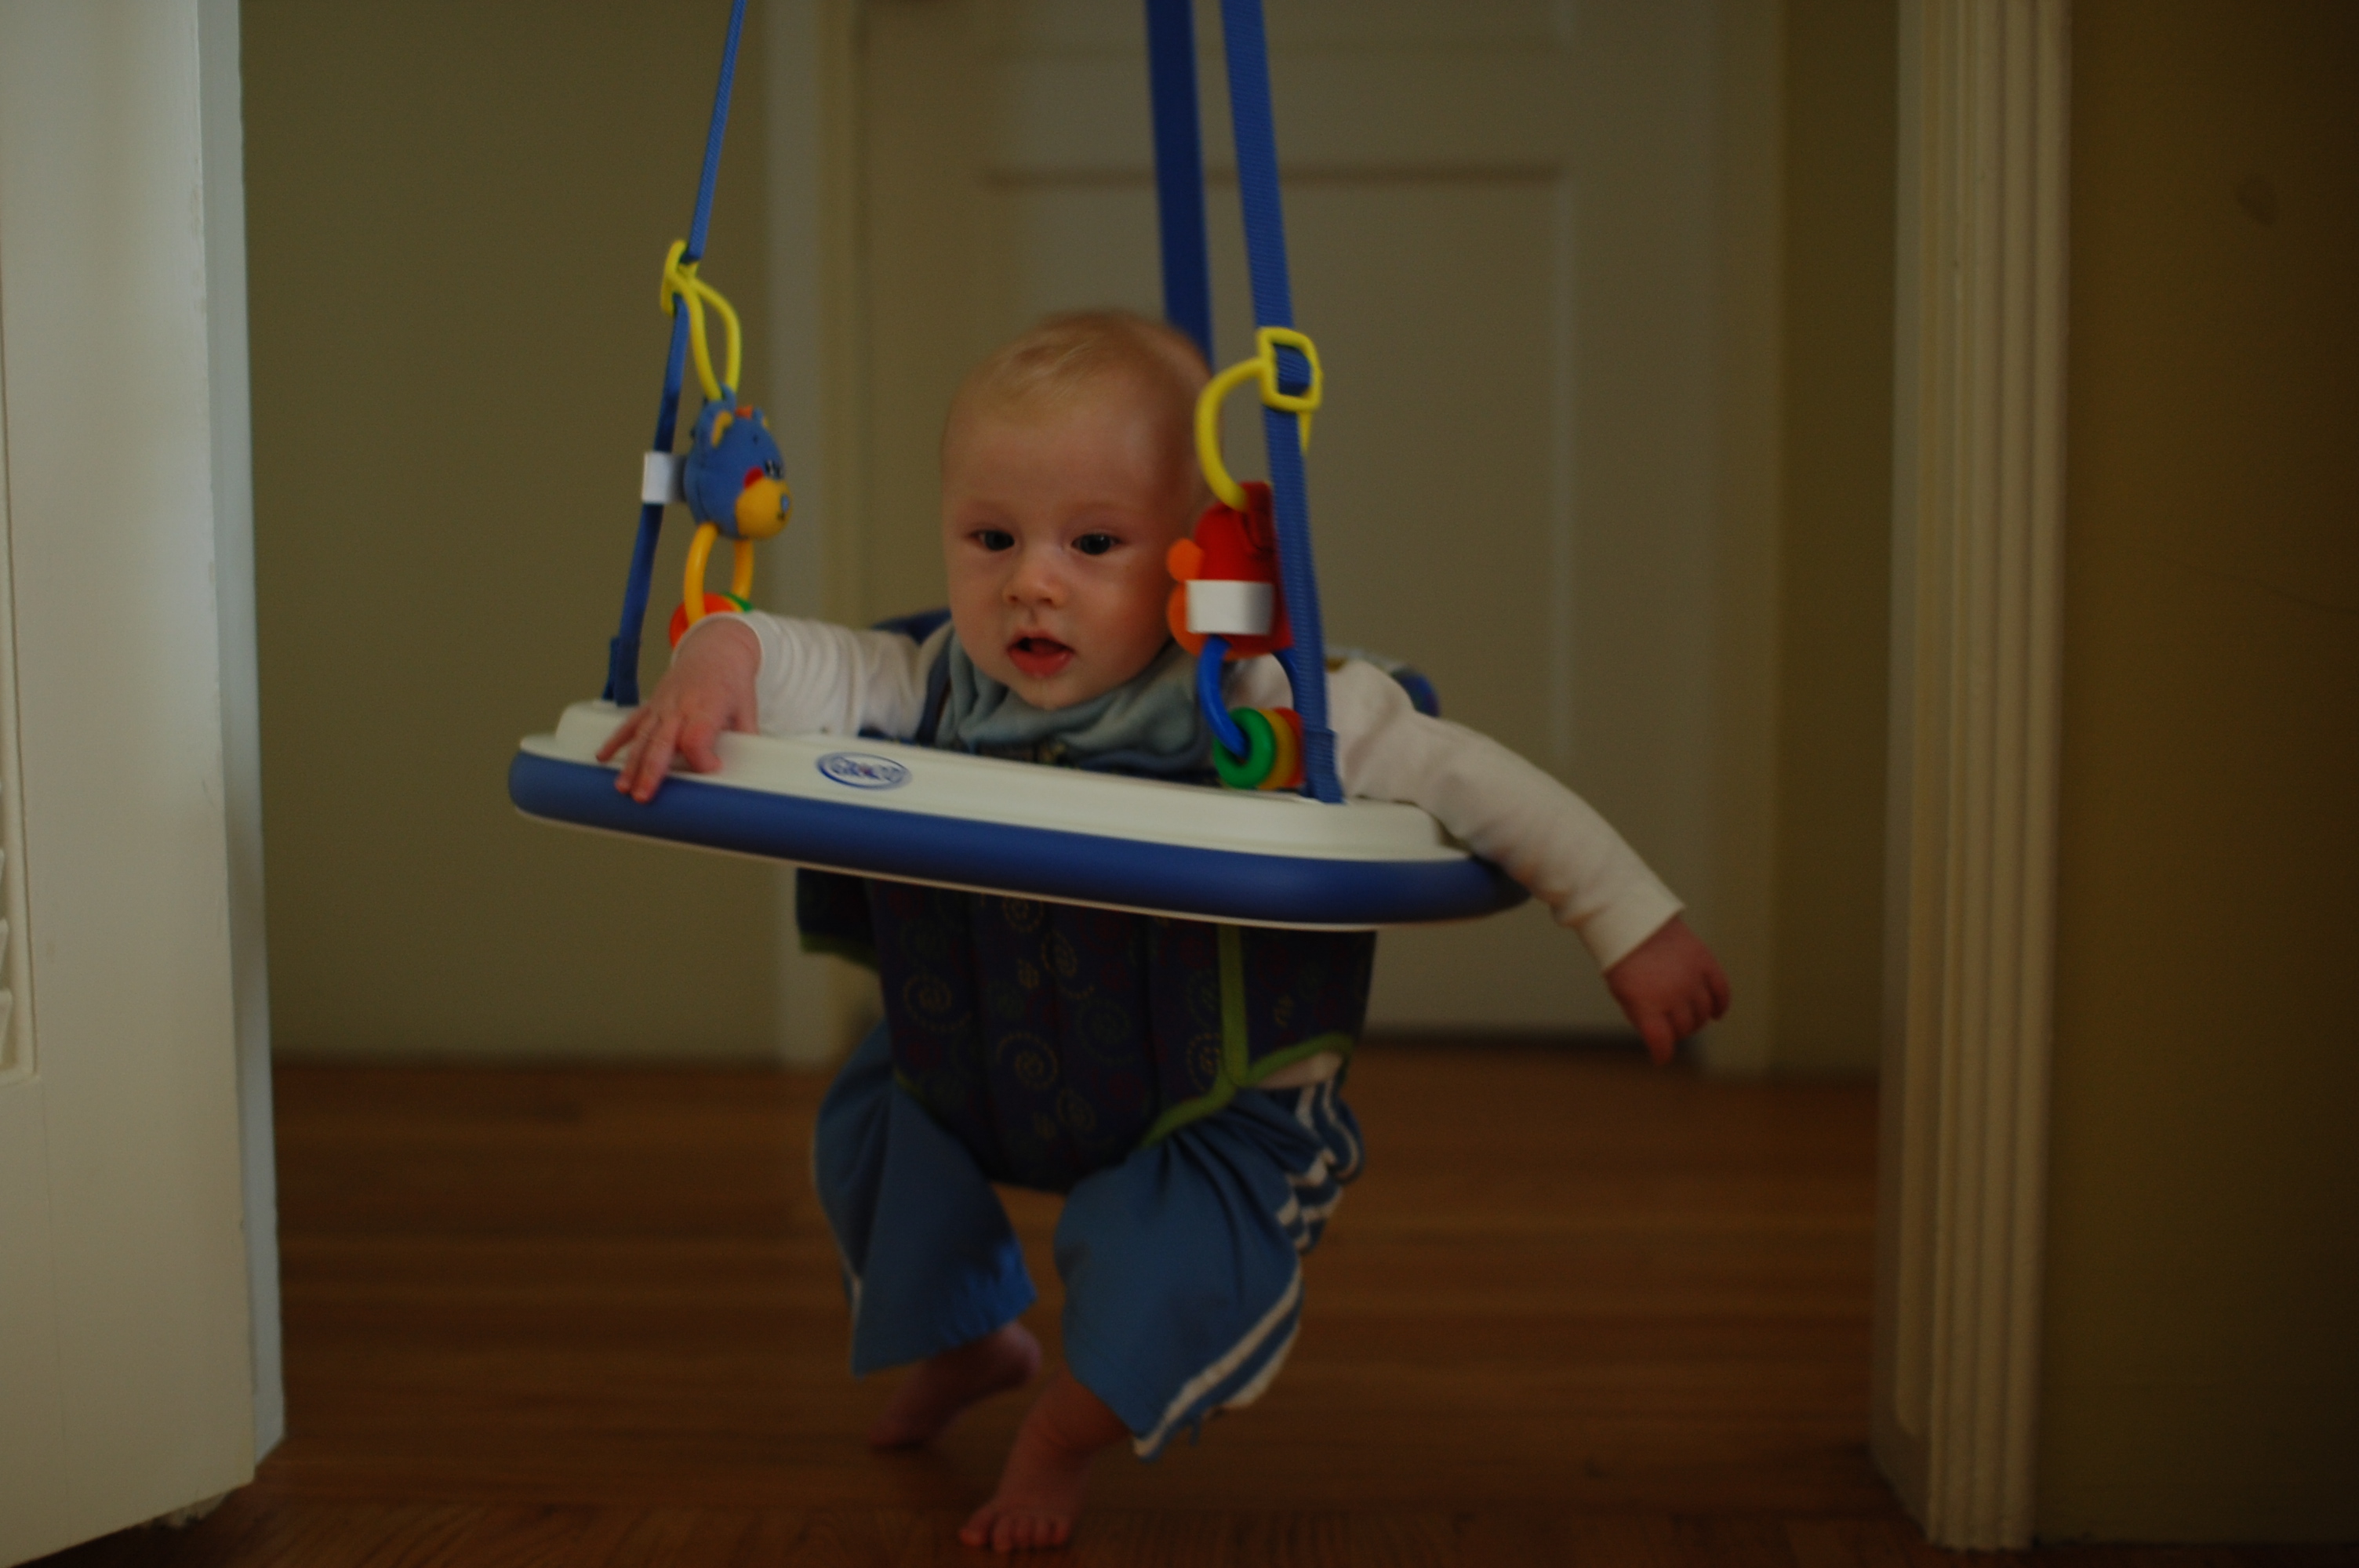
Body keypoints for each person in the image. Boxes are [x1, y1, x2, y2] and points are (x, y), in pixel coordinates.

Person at [600, 310, 1730, 1552]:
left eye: (1094, 543)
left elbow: (1473, 777)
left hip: (1213, 1088)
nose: (1032, 581)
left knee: (1179, 1269)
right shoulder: (925, 680)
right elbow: (794, 657)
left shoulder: (1270, 707)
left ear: (1199, 555)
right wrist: (715, 660)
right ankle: (970, 1341)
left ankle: (1063, 1432)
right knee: (873, 1130)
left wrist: (1626, 919)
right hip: (981, 1051)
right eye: (991, 537)